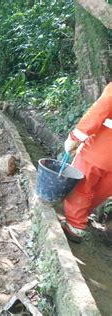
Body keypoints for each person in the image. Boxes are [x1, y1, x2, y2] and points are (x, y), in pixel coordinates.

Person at [62, 82, 112, 242]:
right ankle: (83, 215)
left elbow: (98, 112)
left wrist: (75, 138)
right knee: (101, 191)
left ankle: (75, 225)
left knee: (82, 185)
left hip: (98, 151)